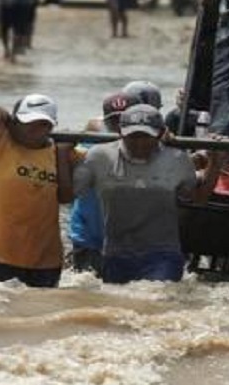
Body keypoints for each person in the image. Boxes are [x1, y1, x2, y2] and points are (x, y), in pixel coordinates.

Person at [73, 104, 223, 284]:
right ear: (121, 132)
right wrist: (60, 151)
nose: (139, 143)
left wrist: (215, 163)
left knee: (156, 299)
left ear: (160, 134)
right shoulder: (99, 157)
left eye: (146, 136)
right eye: (133, 136)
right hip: (115, 253)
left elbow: (199, 199)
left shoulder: (176, 159)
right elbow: (68, 193)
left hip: (163, 254)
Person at [66, 83, 164, 276]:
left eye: (125, 121)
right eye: (114, 122)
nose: (119, 127)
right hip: (89, 239)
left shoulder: (155, 148)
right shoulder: (90, 142)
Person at [0, 94, 75, 288]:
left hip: (47, 258)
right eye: (28, 122)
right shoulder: (0, 146)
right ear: (15, 122)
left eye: (42, 125)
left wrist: (63, 155)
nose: (34, 129)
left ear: (51, 127)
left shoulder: (60, 152)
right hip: (3, 254)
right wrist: (12, 123)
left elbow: (65, 197)